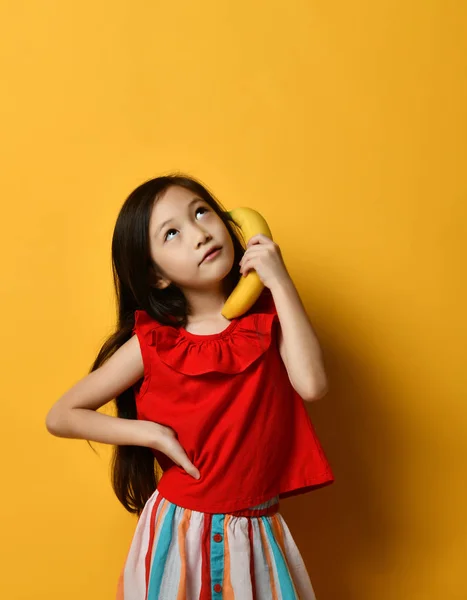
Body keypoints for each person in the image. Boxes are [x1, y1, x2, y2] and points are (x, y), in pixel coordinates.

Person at [45, 174, 335, 599]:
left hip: (254, 532)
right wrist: (150, 433)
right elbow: (61, 415)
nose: (199, 233)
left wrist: (281, 281)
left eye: (202, 212)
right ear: (157, 276)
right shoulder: (154, 342)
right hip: (178, 531)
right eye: (173, 233)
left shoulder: (271, 317)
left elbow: (311, 384)